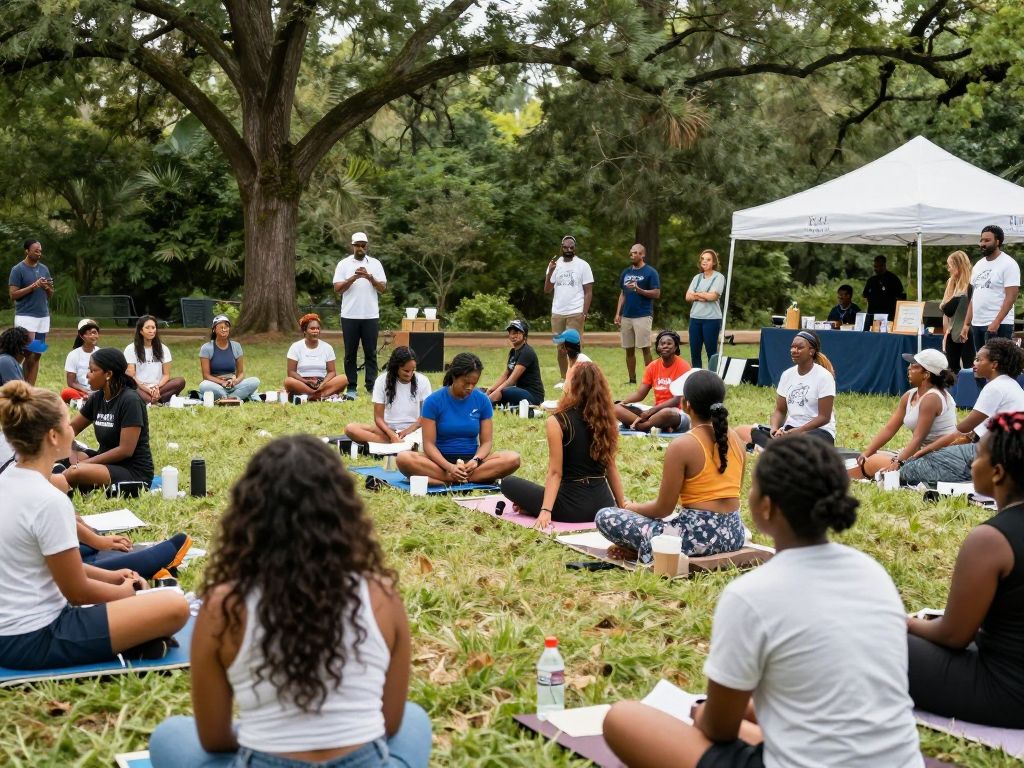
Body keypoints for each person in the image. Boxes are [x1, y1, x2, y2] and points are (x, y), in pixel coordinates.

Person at [602, 436, 924, 768]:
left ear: (766, 507)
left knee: (623, 718)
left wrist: (703, 715)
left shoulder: (751, 595)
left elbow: (720, 729)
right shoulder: (873, 574)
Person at [148, 435, 432, 768]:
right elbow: (391, 724)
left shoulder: (223, 606)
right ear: (343, 514)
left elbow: (214, 739)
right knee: (414, 719)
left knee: (169, 736)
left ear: (250, 517)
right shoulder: (382, 595)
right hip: (365, 761)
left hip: (263, 760)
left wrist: (266, 734)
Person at [0, 380, 188, 670]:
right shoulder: (49, 500)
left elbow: (44, 563)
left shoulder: (8, 483)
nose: (73, 430)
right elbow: (78, 593)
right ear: (53, 436)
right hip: (34, 638)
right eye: (67, 424)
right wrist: (127, 593)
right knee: (175, 605)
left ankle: (137, 640)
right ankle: (133, 639)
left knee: (152, 602)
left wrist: (110, 576)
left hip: (11, 633)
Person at [907, 411, 1024, 727]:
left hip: (1006, 693)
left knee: (875, 638)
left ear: (997, 472)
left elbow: (954, 636)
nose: (971, 464)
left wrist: (900, 621)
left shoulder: (990, 540)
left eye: (977, 456)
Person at [597, 370, 746, 564]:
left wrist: (630, 507)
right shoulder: (737, 440)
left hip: (696, 539)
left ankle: (644, 548)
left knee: (605, 516)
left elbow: (663, 509)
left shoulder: (683, 445)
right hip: (734, 534)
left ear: (686, 404)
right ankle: (644, 547)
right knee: (671, 522)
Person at [502, 362, 626, 527]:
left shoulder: (558, 421)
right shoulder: (606, 421)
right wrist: (622, 505)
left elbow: (555, 473)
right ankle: (530, 507)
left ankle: (532, 507)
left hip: (571, 509)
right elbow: (611, 468)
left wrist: (545, 511)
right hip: (604, 506)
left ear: (573, 385)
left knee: (508, 482)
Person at [898, 338, 1024, 486]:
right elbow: (971, 435)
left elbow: (961, 430)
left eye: (978, 360)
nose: (974, 364)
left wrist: (925, 451)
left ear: (994, 364)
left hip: (997, 456)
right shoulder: (1010, 385)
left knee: (910, 469)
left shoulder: (995, 387)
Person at [395, 353, 520, 486]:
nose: (470, 387)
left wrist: (476, 460)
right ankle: (457, 478)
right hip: (439, 463)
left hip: (471, 464)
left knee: (513, 459)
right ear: (454, 376)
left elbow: (486, 442)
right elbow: (429, 445)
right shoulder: (433, 401)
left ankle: (448, 480)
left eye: (474, 383)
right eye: (466, 382)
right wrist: (450, 468)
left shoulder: (482, 400)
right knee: (404, 458)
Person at [55, 348, 155, 494]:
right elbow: (70, 430)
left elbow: (125, 451)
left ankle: (52, 485)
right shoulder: (97, 398)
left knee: (76, 471)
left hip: (132, 471)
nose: (87, 375)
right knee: (63, 455)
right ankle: (64, 477)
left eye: (92, 371)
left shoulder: (130, 400)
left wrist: (85, 463)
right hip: (105, 462)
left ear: (108, 374)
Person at [850, 348, 957, 480]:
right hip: (920, 453)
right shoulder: (910, 395)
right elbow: (889, 429)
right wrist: (867, 452)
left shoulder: (932, 398)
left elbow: (918, 439)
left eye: (914, 366)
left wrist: (899, 462)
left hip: (938, 460)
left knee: (872, 462)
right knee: (870, 458)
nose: (909, 368)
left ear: (926, 374)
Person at [736, 330, 836, 448]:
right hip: (790, 431)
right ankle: (777, 447)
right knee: (742, 431)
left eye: (799, 348)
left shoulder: (824, 376)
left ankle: (771, 448)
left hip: (818, 432)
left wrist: (796, 432)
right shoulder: (787, 375)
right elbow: (780, 410)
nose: (794, 350)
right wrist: (774, 429)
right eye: (792, 347)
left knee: (800, 442)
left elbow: (824, 417)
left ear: (811, 351)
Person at [333, 232, 387, 397]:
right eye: (358, 245)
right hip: (349, 315)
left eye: (363, 245)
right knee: (350, 352)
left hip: (370, 315)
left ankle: (371, 386)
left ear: (366, 246)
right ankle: (351, 386)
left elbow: (383, 288)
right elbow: (337, 289)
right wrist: (354, 277)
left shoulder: (375, 264)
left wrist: (369, 277)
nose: (361, 248)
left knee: (370, 352)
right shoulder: (343, 264)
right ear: (353, 246)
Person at [344, 346, 432, 445]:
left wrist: (407, 431)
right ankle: (401, 443)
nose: (410, 374)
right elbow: (378, 418)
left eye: (413, 370)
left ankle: (396, 443)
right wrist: (391, 435)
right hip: (387, 430)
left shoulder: (423, 381)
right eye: (406, 371)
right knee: (350, 429)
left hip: (414, 430)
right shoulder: (381, 381)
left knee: (433, 433)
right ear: (396, 367)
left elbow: (425, 417)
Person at [613, 330, 692, 434]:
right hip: (655, 411)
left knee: (666, 413)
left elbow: (678, 400)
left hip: (676, 412)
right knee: (615, 408)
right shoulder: (652, 366)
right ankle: (650, 425)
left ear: (675, 347)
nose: (665, 346)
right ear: (658, 347)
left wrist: (651, 411)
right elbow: (640, 394)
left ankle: (644, 426)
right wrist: (623, 402)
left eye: (669, 343)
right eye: (662, 343)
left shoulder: (683, 366)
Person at [960, 224, 1020, 354]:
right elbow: (974, 298)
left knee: (999, 365)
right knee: (981, 365)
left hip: (999, 325)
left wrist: (996, 322)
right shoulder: (978, 265)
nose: (982, 243)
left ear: (998, 242)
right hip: (977, 324)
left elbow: (1011, 297)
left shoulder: (1009, 264)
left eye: (987, 240)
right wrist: (966, 324)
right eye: (981, 240)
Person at [545, 235, 594, 382]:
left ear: (575, 248)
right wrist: (550, 273)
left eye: (571, 247)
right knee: (560, 347)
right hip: (558, 312)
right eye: (566, 247)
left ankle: (576, 378)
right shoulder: (554, 264)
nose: (568, 250)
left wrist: (583, 313)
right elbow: (547, 289)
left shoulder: (583, 265)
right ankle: (563, 378)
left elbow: (588, 291)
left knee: (573, 347)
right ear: (561, 247)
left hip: (575, 311)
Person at [7, 239, 52, 385]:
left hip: (42, 318)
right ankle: (15, 385)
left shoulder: (44, 268)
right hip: (26, 317)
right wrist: (33, 286)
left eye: (40, 250)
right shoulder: (18, 269)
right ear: (27, 251)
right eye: (36, 250)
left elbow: (50, 294)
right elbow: (13, 295)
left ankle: (30, 390)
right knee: (25, 352)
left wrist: (46, 287)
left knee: (37, 354)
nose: (39, 253)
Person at [615, 244, 661, 384]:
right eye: (631, 253)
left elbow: (656, 293)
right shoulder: (626, 273)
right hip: (627, 316)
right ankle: (632, 379)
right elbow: (622, 294)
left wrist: (639, 290)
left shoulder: (650, 272)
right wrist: (618, 313)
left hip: (643, 315)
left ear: (642, 255)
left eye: (636, 253)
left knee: (645, 348)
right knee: (629, 349)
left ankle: (650, 380)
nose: (633, 255)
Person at [283, 314, 350, 401]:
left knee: (344, 379)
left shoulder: (327, 347)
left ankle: (311, 396)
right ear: (304, 331)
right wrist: (305, 381)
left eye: (318, 328)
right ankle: (318, 395)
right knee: (288, 381)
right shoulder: (295, 347)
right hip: (302, 383)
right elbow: (291, 372)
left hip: (322, 383)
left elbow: (332, 372)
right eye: (312, 328)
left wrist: (323, 383)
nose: (316, 331)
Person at [125, 315, 186, 405]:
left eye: (153, 328)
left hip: (159, 386)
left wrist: (156, 387)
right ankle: (156, 400)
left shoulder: (163, 348)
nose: (151, 331)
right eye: (147, 328)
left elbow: (166, 375)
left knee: (180, 381)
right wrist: (146, 388)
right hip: (139, 386)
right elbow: (131, 376)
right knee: (131, 388)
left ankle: (153, 399)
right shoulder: (130, 349)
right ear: (141, 331)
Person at [198, 314, 261, 402]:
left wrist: (235, 382)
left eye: (226, 327)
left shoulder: (236, 346)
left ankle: (226, 398)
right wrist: (222, 382)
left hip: (233, 385)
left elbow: (241, 373)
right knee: (203, 386)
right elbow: (206, 376)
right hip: (216, 385)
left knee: (255, 381)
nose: (224, 330)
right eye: (221, 327)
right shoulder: (206, 348)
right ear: (214, 329)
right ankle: (235, 398)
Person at [485, 319, 545, 407]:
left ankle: (490, 403)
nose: (513, 336)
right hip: (519, 391)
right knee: (483, 390)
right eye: (511, 333)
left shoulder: (527, 352)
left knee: (504, 391)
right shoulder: (513, 352)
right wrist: (491, 390)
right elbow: (506, 375)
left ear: (524, 334)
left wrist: (495, 394)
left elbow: (512, 380)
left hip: (533, 396)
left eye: (517, 332)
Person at [685, 249, 726, 369]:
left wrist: (696, 295)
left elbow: (713, 296)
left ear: (714, 263)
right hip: (695, 319)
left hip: (711, 319)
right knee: (695, 351)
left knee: (711, 351)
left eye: (708, 259)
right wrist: (703, 295)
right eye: (702, 259)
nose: (704, 262)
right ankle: (696, 377)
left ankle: (713, 377)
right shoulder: (696, 278)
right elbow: (688, 297)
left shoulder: (719, 277)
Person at [939, 249, 974, 372]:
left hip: (968, 331)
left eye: (950, 266)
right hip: (952, 330)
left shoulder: (972, 284)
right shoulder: (951, 283)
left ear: (958, 266)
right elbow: (945, 310)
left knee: (969, 366)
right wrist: (946, 333)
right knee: (952, 367)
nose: (948, 269)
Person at [61, 319, 100, 403]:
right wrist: (86, 392)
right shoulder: (73, 355)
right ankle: (87, 402)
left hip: (99, 390)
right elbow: (71, 382)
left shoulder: (101, 353)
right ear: (81, 336)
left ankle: (86, 402)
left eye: (95, 333)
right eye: (90, 333)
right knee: (66, 393)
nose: (93, 336)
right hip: (82, 391)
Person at [863, 255, 906, 320]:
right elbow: (865, 295)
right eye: (875, 266)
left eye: (880, 266)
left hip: (889, 315)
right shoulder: (871, 280)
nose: (877, 269)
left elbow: (900, 297)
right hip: (873, 314)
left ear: (884, 265)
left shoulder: (893, 279)